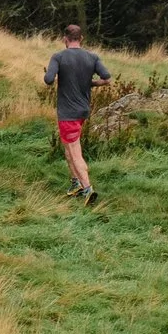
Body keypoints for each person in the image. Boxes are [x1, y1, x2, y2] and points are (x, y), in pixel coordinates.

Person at [42, 23, 110, 205]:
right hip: (82, 111)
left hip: (67, 112)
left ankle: (87, 188)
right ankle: (75, 183)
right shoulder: (92, 57)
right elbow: (107, 78)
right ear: (81, 39)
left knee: (74, 151)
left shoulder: (58, 57)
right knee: (67, 147)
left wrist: (54, 75)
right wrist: (90, 83)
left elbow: (49, 80)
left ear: (65, 39)